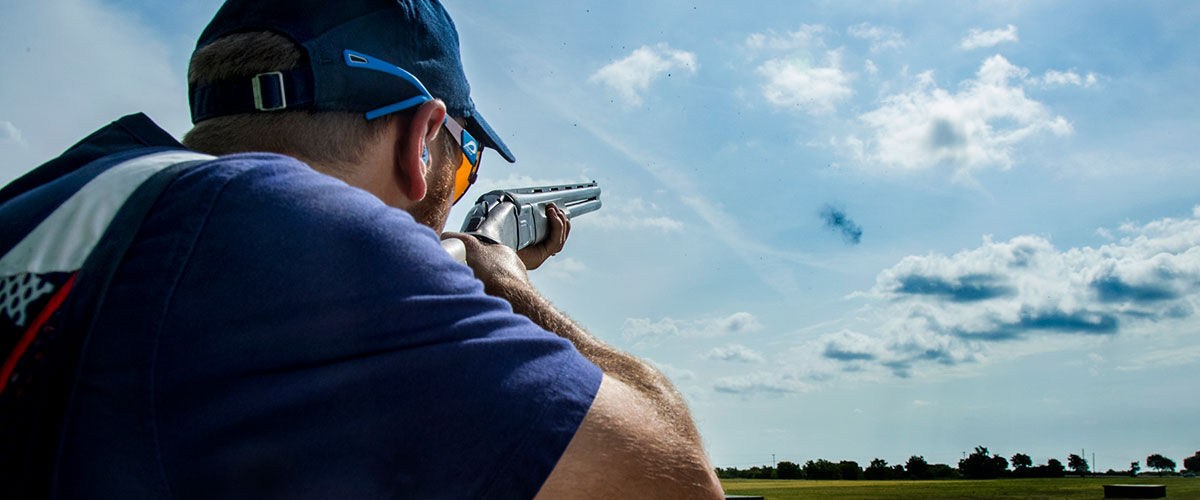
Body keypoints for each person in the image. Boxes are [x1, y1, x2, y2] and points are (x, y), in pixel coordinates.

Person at [0, 0, 723, 498]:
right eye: (463, 160)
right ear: (419, 139)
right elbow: (675, 480)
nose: (453, 186)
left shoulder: (69, 194)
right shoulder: (291, 230)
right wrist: (507, 283)